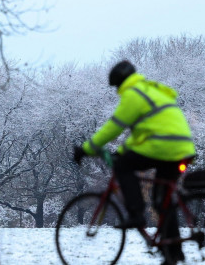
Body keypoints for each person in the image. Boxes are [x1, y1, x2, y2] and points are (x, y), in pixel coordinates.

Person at [73, 60, 196, 265]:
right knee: (162, 200)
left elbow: (114, 126)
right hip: (181, 147)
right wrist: (121, 151)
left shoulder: (134, 94)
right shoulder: (149, 90)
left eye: (116, 87)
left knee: (123, 166)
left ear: (120, 81)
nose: (116, 91)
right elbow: (141, 133)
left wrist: (87, 149)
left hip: (164, 146)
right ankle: (173, 252)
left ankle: (136, 213)